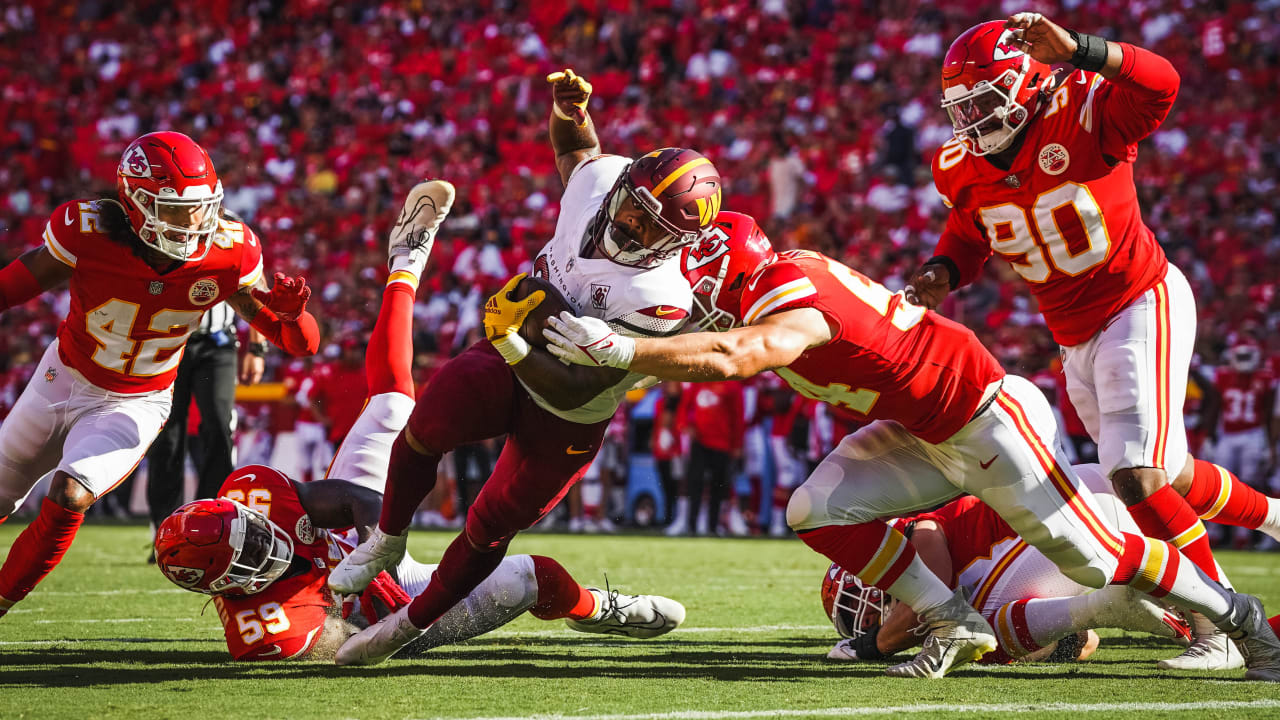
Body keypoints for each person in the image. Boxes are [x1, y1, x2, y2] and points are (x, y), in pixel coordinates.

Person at [542, 211, 1280, 680]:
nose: (688, 291)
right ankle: (952, 622)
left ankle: (1238, 616)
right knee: (816, 508)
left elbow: (738, 355)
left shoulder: (788, 300)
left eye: (695, 274)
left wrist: (621, 352)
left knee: (1094, 559)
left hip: (983, 417)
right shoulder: (780, 273)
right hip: (923, 427)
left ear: (724, 271)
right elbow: (729, 339)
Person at [154, 186, 684, 659]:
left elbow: (351, 499)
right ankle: (598, 608)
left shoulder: (253, 494)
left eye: (249, 534)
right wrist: (370, 610)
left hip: (362, 548)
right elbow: (335, 643)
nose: (260, 544)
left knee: (392, 405)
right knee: (530, 576)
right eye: (248, 557)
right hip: (372, 609)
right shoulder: (264, 631)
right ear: (225, 589)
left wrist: (378, 547)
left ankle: (405, 262)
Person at [904, 13, 1271, 664]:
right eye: (961, 110)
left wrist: (1083, 51)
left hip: (1138, 301)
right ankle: (1272, 516)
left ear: (1028, 84)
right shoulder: (959, 164)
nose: (971, 124)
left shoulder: (1083, 111)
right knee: (1166, 475)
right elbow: (972, 228)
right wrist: (944, 270)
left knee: (1134, 472)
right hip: (1075, 333)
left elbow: (1163, 84)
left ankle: (1223, 625)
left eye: (984, 104)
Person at [326, 70, 718, 665]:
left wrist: (512, 343)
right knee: (426, 423)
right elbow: (575, 151)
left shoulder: (659, 296)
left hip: (568, 411)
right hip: (515, 351)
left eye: (648, 226)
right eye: (634, 208)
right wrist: (569, 111)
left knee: (490, 525)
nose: (629, 225)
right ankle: (386, 539)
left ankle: (405, 628)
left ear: (671, 244)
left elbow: (579, 383)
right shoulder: (603, 181)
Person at [0, 131, 320, 619]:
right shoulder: (88, 230)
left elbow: (303, 344)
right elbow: (15, 285)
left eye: (201, 206)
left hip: (136, 400)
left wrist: (292, 315)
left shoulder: (227, 252)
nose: (192, 221)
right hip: (61, 377)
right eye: (174, 207)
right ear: (135, 202)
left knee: (70, 494)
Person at [823, 464, 1209, 667]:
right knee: (974, 636)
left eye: (865, 609)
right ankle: (1122, 604)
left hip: (1081, 514)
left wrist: (874, 645)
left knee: (972, 633)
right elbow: (1083, 644)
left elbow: (932, 598)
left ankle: (1111, 605)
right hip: (1091, 509)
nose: (872, 615)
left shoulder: (921, 528)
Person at [145, 300, 267, 545]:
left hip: (217, 342)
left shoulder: (232, 258)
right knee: (166, 435)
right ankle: (166, 528)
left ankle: (211, 522)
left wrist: (257, 348)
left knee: (220, 427)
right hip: (167, 342)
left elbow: (255, 288)